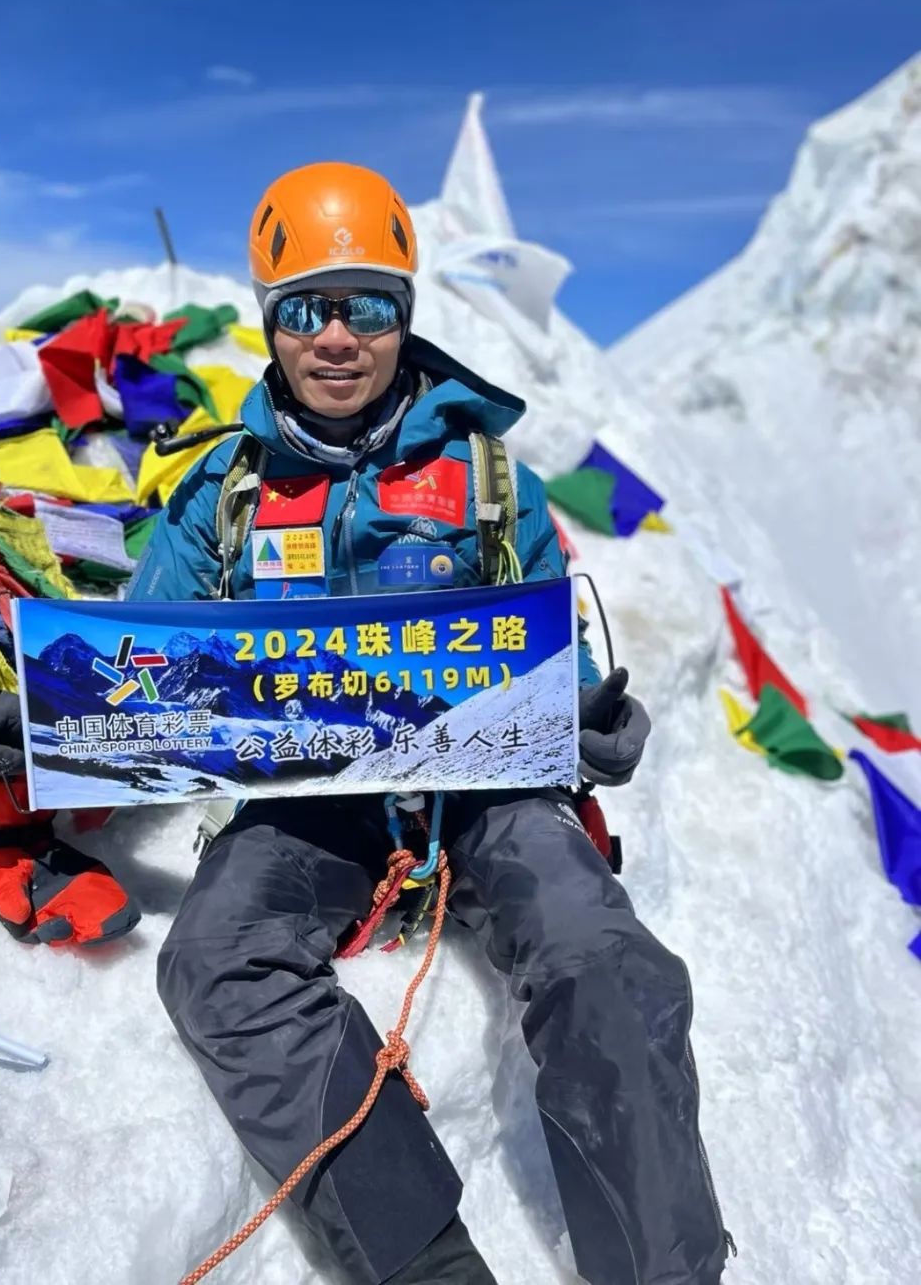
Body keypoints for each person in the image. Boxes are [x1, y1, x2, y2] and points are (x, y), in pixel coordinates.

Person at [130, 162, 731, 1285]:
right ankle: (426, 1263)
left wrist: (589, 714)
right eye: (309, 306)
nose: (340, 336)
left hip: (488, 790)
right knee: (217, 957)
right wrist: (27, 728)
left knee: (604, 954)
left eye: (369, 304)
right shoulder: (224, 491)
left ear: (405, 313)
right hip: (316, 803)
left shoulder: (490, 476)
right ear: (272, 320)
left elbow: (562, 651)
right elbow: (136, 666)